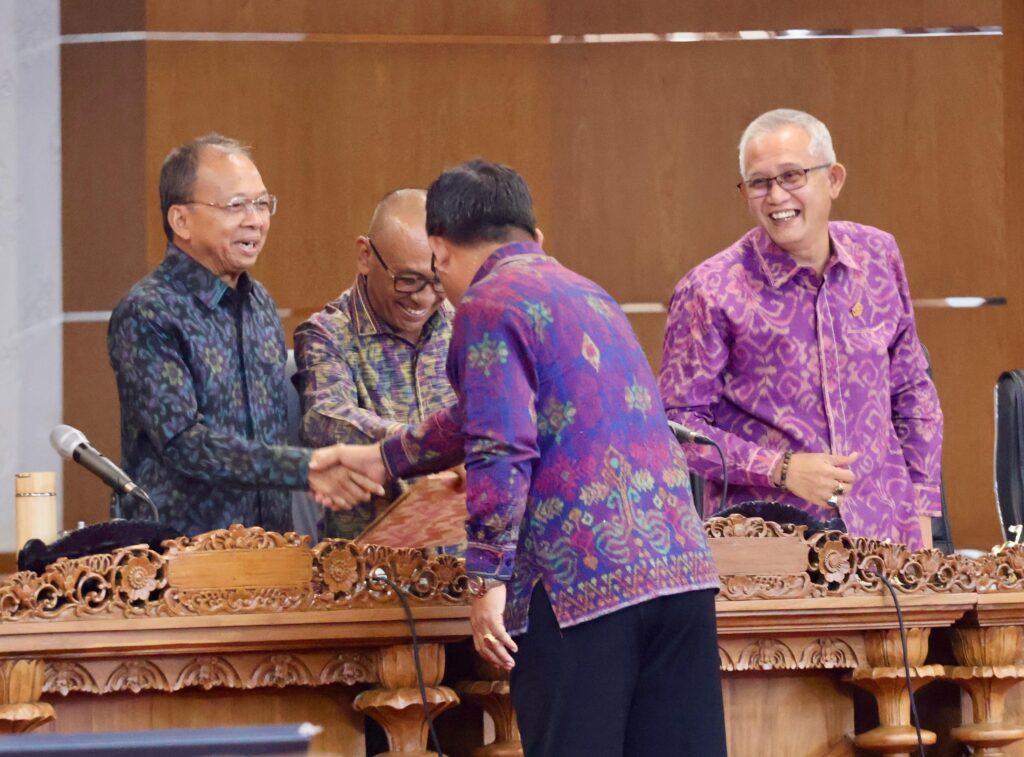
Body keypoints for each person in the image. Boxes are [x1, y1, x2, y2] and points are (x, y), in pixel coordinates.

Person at [314, 160, 726, 756]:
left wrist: (487, 578)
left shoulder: (488, 303)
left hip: (582, 587)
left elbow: (499, 446)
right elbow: (480, 415)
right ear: (532, 234)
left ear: (439, 250)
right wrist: (385, 458)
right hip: (682, 577)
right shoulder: (589, 292)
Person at [659, 108, 943, 549]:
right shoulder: (710, 290)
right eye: (759, 182)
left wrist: (921, 516)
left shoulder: (878, 256)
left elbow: (911, 391)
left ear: (833, 179)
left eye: (792, 176)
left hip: (886, 540)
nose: (776, 196)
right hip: (769, 550)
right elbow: (675, 428)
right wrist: (781, 469)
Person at [108, 134, 382, 537]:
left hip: (273, 549)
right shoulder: (148, 311)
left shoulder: (260, 303)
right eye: (236, 205)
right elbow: (184, 443)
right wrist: (302, 468)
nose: (255, 220)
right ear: (181, 220)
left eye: (262, 203)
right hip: (184, 555)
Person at [293, 189, 456, 538]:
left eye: (437, 280)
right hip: (371, 561)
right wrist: (424, 443)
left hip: (468, 558)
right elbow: (326, 417)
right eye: (407, 280)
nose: (424, 298)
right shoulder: (328, 334)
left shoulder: (464, 327)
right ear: (365, 256)